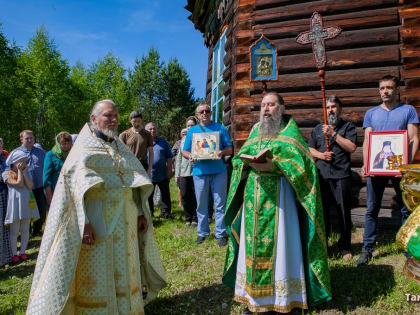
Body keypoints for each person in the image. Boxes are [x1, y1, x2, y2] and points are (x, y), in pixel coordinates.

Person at [26, 99, 166, 314]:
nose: (113, 120)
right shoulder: (82, 149)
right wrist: (85, 223)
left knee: (124, 268)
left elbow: (134, 182)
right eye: (108, 115)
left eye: (116, 116)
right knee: (98, 270)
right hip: (96, 218)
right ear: (93, 119)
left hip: (125, 221)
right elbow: (72, 191)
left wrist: (139, 212)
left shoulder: (120, 146)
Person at [222, 92, 331, 313]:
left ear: (281, 107)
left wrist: (276, 166)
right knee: (251, 247)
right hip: (254, 197)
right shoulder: (255, 131)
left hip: (281, 199)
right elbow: (239, 157)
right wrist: (244, 163)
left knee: (283, 246)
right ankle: (253, 298)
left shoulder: (290, 131)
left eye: (271, 105)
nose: (266, 109)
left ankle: (283, 299)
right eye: (263, 105)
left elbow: (303, 165)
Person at [355, 75, 419, 266]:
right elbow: (368, 141)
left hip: (401, 169)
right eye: (382, 88)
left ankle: (408, 249)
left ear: (397, 90)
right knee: (371, 209)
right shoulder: (371, 113)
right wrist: (367, 163)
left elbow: (414, 138)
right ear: (379, 90)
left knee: (405, 209)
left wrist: (406, 167)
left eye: (389, 88)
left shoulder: (408, 110)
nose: (385, 91)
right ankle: (367, 249)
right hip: (377, 168)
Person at [308, 96, 357, 260]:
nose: (331, 110)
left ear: (340, 109)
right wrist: (321, 155)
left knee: (343, 213)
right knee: (322, 214)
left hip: (341, 176)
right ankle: (323, 246)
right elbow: (309, 150)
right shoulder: (317, 129)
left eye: (334, 107)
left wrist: (333, 134)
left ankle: (344, 247)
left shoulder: (348, 126)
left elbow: (351, 147)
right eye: (328, 107)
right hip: (322, 176)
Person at [182, 104, 233, 247]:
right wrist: (191, 155)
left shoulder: (221, 128)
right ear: (197, 115)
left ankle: (221, 233)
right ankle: (202, 232)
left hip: (219, 172)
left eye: (207, 111)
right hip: (199, 172)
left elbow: (230, 149)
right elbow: (184, 151)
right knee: (201, 204)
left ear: (211, 113)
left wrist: (221, 152)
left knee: (220, 204)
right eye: (201, 111)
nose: (205, 113)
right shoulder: (192, 131)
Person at [3, 154, 40, 264]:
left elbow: (30, 186)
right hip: (15, 204)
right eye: (21, 161)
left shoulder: (26, 172)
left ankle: (23, 252)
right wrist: (19, 171)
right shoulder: (5, 174)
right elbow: (18, 184)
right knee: (14, 231)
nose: (24, 164)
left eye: (25, 161)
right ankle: (14, 254)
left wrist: (24, 172)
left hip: (27, 204)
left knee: (25, 229)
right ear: (14, 163)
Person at [9, 130, 47, 237]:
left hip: (39, 187)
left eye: (32, 138)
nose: (30, 140)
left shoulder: (41, 152)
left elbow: (47, 166)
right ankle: (27, 232)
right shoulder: (16, 153)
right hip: (24, 188)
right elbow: (9, 168)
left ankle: (37, 230)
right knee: (26, 211)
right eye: (27, 138)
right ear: (21, 139)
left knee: (41, 209)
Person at [145, 122, 174, 218]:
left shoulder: (163, 142)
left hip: (162, 173)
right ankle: (150, 213)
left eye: (154, 129)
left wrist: (169, 169)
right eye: (150, 129)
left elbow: (169, 157)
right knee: (149, 195)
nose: (153, 130)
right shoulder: (143, 142)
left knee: (165, 194)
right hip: (149, 174)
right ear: (146, 131)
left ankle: (166, 213)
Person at [175, 120, 198, 226]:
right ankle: (188, 218)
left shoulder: (199, 138)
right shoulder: (183, 141)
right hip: (184, 172)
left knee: (195, 196)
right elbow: (178, 158)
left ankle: (195, 218)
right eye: (188, 125)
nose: (189, 127)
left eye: (192, 125)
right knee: (184, 195)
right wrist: (177, 174)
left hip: (196, 172)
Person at [119, 110, 154, 178]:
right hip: (129, 166)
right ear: (130, 120)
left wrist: (149, 170)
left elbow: (151, 153)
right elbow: (120, 153)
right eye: (134, 121)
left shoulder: (147, 134)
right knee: (130, 188)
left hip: (143, 166)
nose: (137, 124)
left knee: (144, 188)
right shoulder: (124, 134)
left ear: (142, 120)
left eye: (139, 121)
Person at [43, 132, 73, 205]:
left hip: (72, 190)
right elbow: (46, 177)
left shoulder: (73, 153)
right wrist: (49, 197)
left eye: (68, 143)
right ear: (58, 144)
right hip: (56, 190)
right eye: (63, 144)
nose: (66, 146)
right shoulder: (50, 155)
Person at [0, 140, 12, 266]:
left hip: (5, 193)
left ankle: (6, 258)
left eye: (1, 145)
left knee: (5, 225)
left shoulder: (4, 158)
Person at [172, 129, 186, 208]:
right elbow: (172, 154)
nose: (184, 134)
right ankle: (180, 203)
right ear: (181, 135)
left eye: (185, 133)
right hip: (179, 167)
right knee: (180, 186)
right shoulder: (178, 143)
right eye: (183, 133)